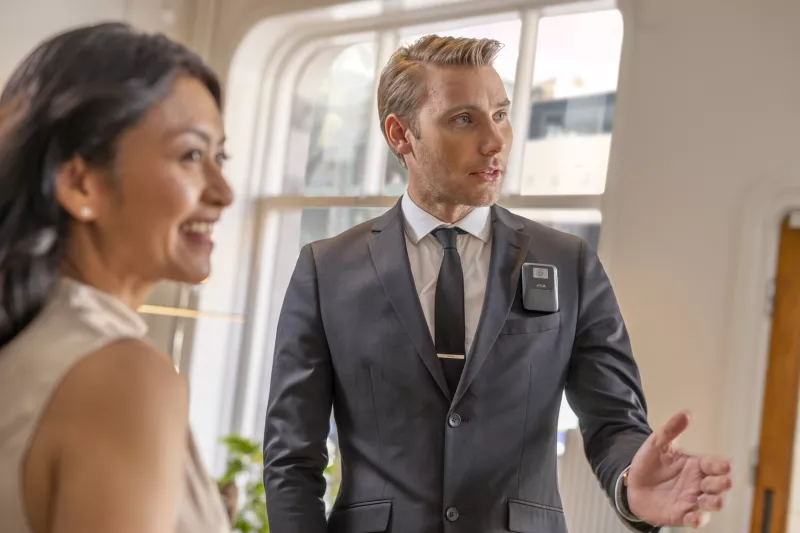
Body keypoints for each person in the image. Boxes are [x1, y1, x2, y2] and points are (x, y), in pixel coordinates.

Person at [263, 36, 732, 532]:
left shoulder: (568, 263)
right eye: (464, 119)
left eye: (501, 114)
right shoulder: (327, 270)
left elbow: (614, 419)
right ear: (401, 135)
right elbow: (292, 457)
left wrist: (632, 483)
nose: (495, 141)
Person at [0, 23, 234, 533]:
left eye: (222, 157)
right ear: (81, 183)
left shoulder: (30, 342)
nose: (224, 191)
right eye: (192, 155)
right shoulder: (123, 376)